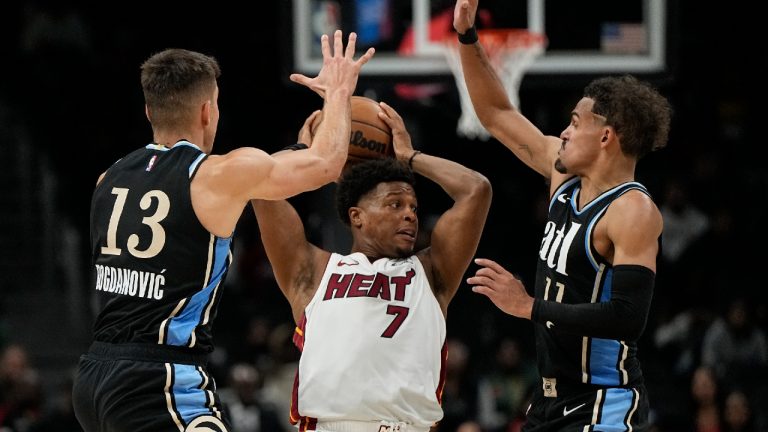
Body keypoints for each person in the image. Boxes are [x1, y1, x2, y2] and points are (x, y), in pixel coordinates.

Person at [71, 30, 375, 432]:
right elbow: (328, 163)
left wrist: (295, 156)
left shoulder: (109, 178)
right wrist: (338, 91)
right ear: (207, 111)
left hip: (94, 376)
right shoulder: (213, 174)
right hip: (159, 380)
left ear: (149, 111)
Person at [453, 1, 673, 430]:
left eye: (575, 122)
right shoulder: (563, 176)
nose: (565, 132)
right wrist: (466, 35)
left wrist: (529, 306)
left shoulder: (632, 210)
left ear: (606, 136)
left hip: (603, 401)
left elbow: (628, 318)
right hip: (551, 398)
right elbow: (497, 113)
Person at [250, 102, 492, 432]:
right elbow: (260, 184)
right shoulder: (315, 272)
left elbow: (476, 190)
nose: (410, 215)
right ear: (357, 216)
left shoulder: (431, 273)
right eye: (395, 204)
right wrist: (306, 153)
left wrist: (410, 157)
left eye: (413, 207)